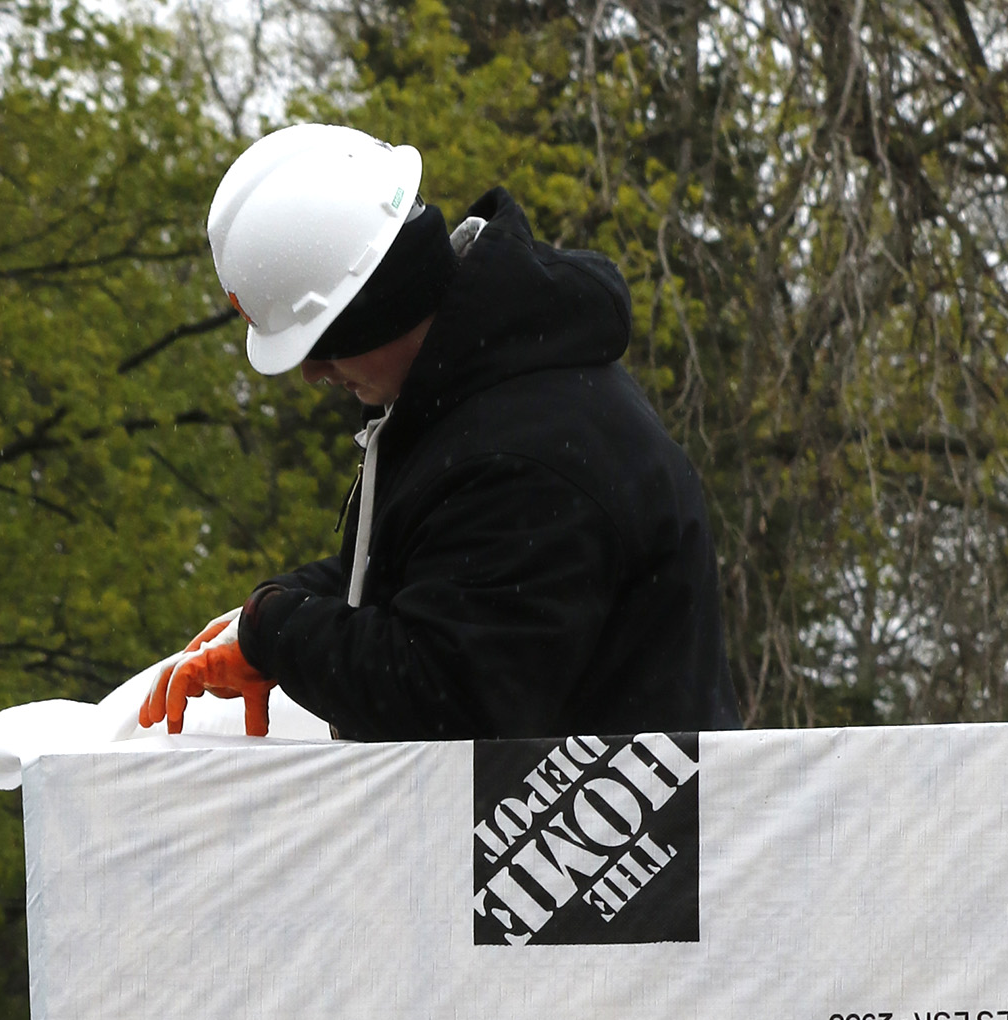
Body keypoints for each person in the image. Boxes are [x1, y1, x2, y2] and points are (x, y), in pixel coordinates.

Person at [143, 125, 741, 744]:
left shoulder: (526, 455)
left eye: (321, 346)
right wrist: (271, 613)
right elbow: (424, 573)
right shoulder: (483, 399)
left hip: (630, 835)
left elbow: (442, 695)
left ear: (380, 306)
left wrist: (276, 629)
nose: (314, 374)